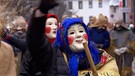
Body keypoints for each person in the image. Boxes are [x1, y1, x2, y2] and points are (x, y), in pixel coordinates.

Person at [27, 0, 120, 76]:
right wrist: (40, 15)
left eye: (81, 31)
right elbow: (36, 43)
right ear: (64, 39)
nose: (78, 35)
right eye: (72, 32)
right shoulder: (53, 56)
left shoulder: (101, 55)